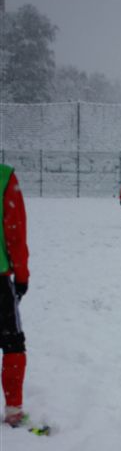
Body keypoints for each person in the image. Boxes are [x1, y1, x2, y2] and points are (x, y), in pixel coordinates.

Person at [0, 164, 30, 427]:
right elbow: (15, 232)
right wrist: (21, 275)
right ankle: (13, 410)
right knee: (12, 344)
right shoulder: (4, 177)